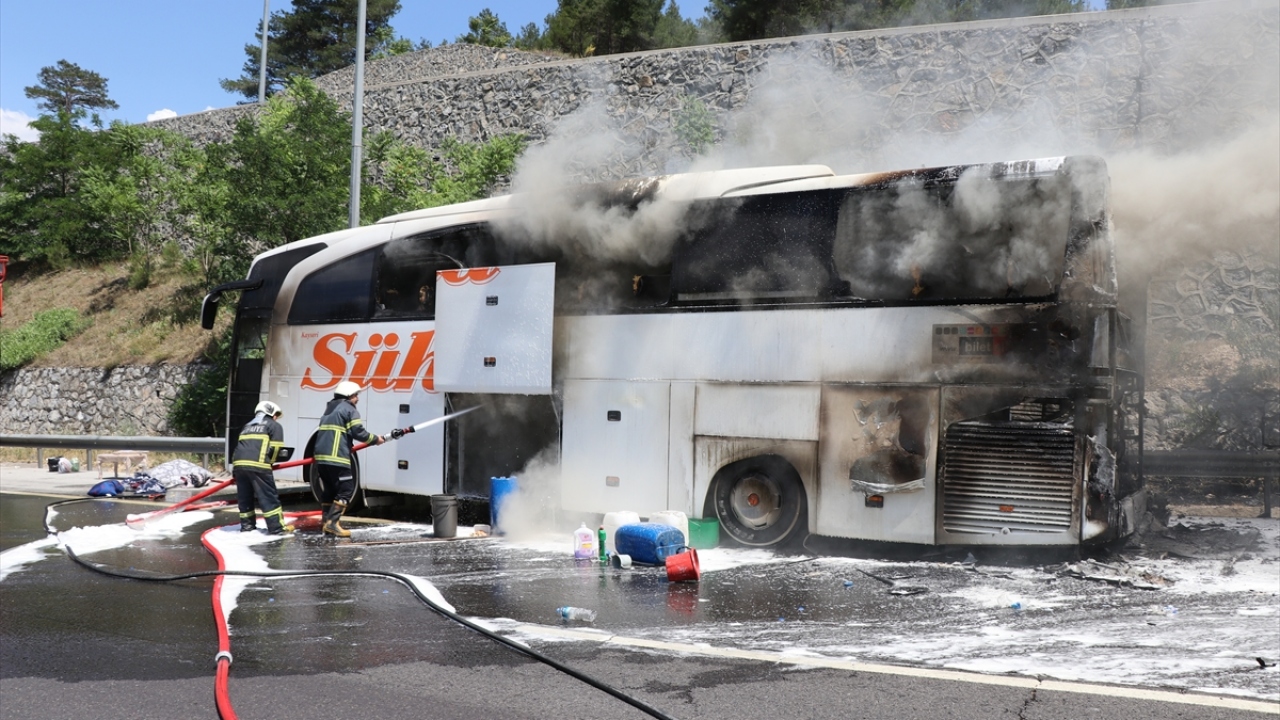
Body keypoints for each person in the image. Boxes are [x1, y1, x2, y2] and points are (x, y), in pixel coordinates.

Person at [315, 380, 384, 537]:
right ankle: (332, 524)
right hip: (337, 457)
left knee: (330, 490)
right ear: (348, 396)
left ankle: (326, 522)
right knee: (346, 489)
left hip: (321, 458)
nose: (357, 399)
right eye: (355, 395)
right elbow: (358, 432)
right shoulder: (348, 409)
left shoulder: (329, 408)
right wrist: (376, 439)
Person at [232, 401, 292, 535]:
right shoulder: (274, 425)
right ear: (270, 412)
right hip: (258, 465)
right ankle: (277, 528)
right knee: (268, 497)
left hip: (239, 465)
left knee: (245, 498)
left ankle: (247, 526)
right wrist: (271, 461)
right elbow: (276, 448)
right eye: (276, 414)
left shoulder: (247, 426)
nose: (276, 417)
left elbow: (240, 447)